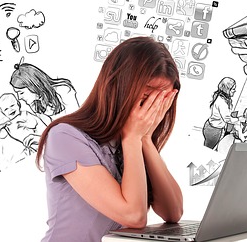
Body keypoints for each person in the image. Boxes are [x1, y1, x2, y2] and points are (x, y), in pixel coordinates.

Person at [35, 37, 183, 242]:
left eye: (162, 99)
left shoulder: (130, 140)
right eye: (147, 97)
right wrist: (133, 138)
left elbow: (173, 212)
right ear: (119, 86)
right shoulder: (65, 137)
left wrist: (146, 140)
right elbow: (133, 216)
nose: (153, 107)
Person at [9, 62, 80, 119]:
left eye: (21, 93)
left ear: (33, 87)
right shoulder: (35, 105)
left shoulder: (63, 90)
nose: (19, 98)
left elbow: (76, 118)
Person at [202, 77, 239, 150]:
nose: (235, 91)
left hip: (211, 127)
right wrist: (239, 119)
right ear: (227, 89)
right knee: (208, 151)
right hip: (214, 130)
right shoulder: (222, 102)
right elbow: (227, 119)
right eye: (233, 89)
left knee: (208, 148)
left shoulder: (221, 97)